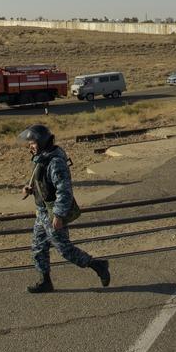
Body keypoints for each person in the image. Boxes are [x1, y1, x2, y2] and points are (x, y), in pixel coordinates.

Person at [19, 124, 110, 293]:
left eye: (32, 143)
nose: (30, 146)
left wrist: (59, 215)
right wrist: (29, 188)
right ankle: (45, 281)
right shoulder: (42, 157)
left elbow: (64, 190)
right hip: (41, 212)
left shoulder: (55, 162)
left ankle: (97, 265)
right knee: (38, 247)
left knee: (65, 249)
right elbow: (41, 180)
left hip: (52, 213)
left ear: (42, 142)